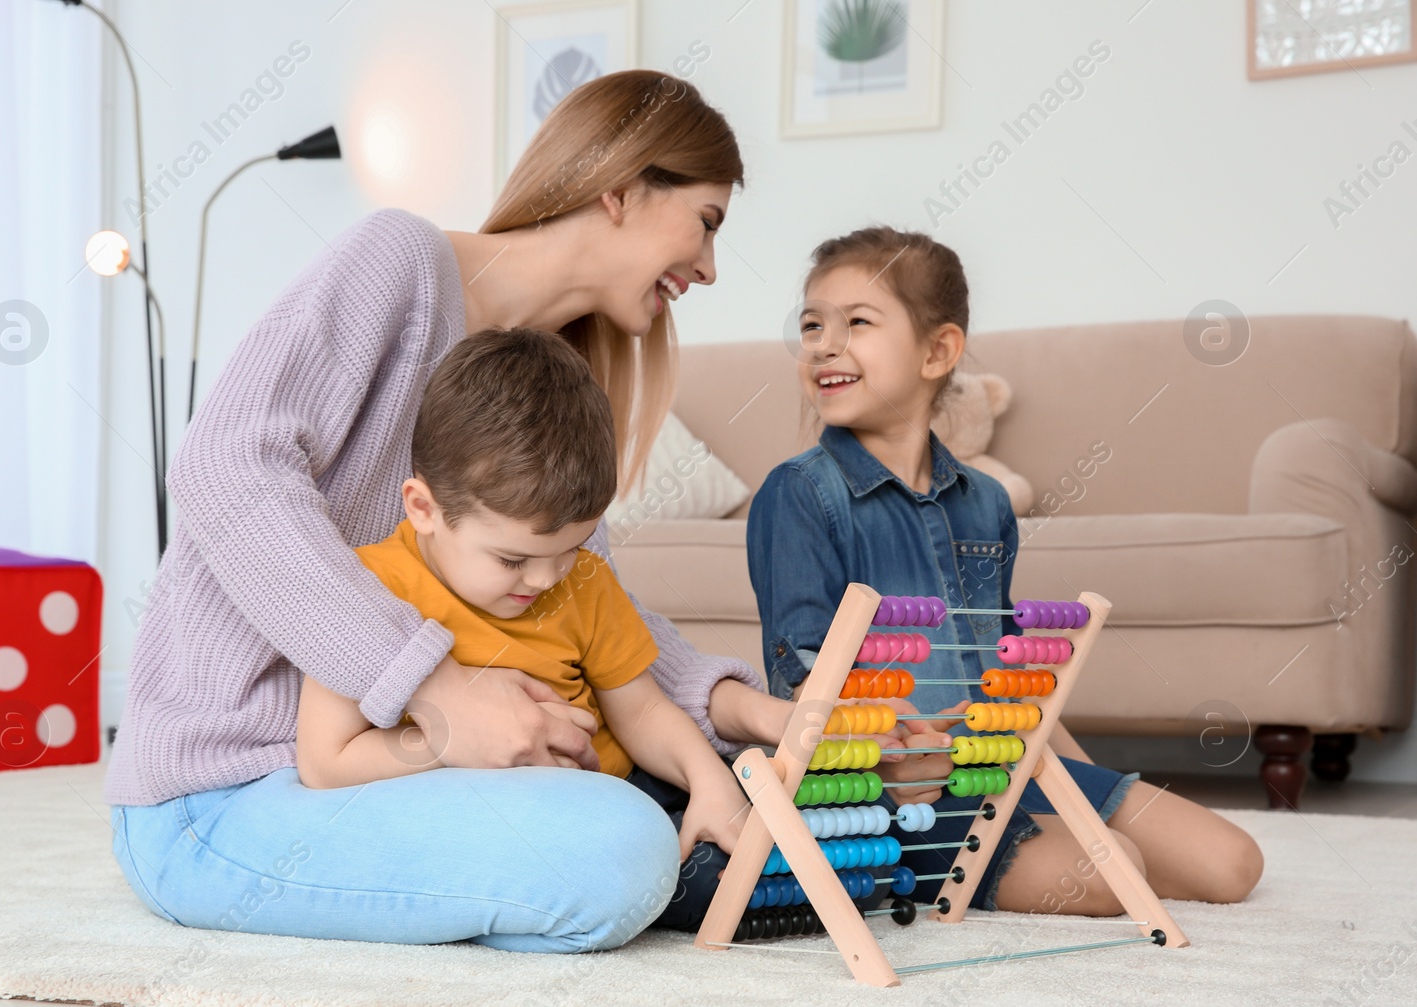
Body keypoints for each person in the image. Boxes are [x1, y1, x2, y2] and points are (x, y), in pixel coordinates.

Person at [105, 71, 795, 953]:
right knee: (620, 848)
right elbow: (228, 462)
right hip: (230, 788)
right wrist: (436, 689)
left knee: (737, 789)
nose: (707, 266)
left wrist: (743, 708)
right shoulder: (399, 263)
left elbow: (587, 610)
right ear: (619, 188)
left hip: (398, 780)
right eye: (706, 221)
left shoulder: (545, 384)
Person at [746, 226, 1264, 916]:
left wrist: (1070, 772)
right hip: (896, 792)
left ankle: (1043, 824)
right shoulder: (800, 495)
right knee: (1112, 872)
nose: (822, 344)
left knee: (1234, 863)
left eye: (857, 323)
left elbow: (1002, 667)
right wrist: (914, 748)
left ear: (938, 351)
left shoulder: (984, 503)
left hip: (995, 757)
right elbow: (808, 680)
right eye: (811, 324)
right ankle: (976, 862)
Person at [295, 327, 749, 929]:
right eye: (512, 559)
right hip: (515, 822)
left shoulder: (582, 581)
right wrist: (447, 743)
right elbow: (326, 762)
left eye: (571, 548)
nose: (544, 579)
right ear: (422, 508)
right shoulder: (370, 591)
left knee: (782, 791)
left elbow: (639, 712)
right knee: (694, 876)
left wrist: (708, 778)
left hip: (623, 786)